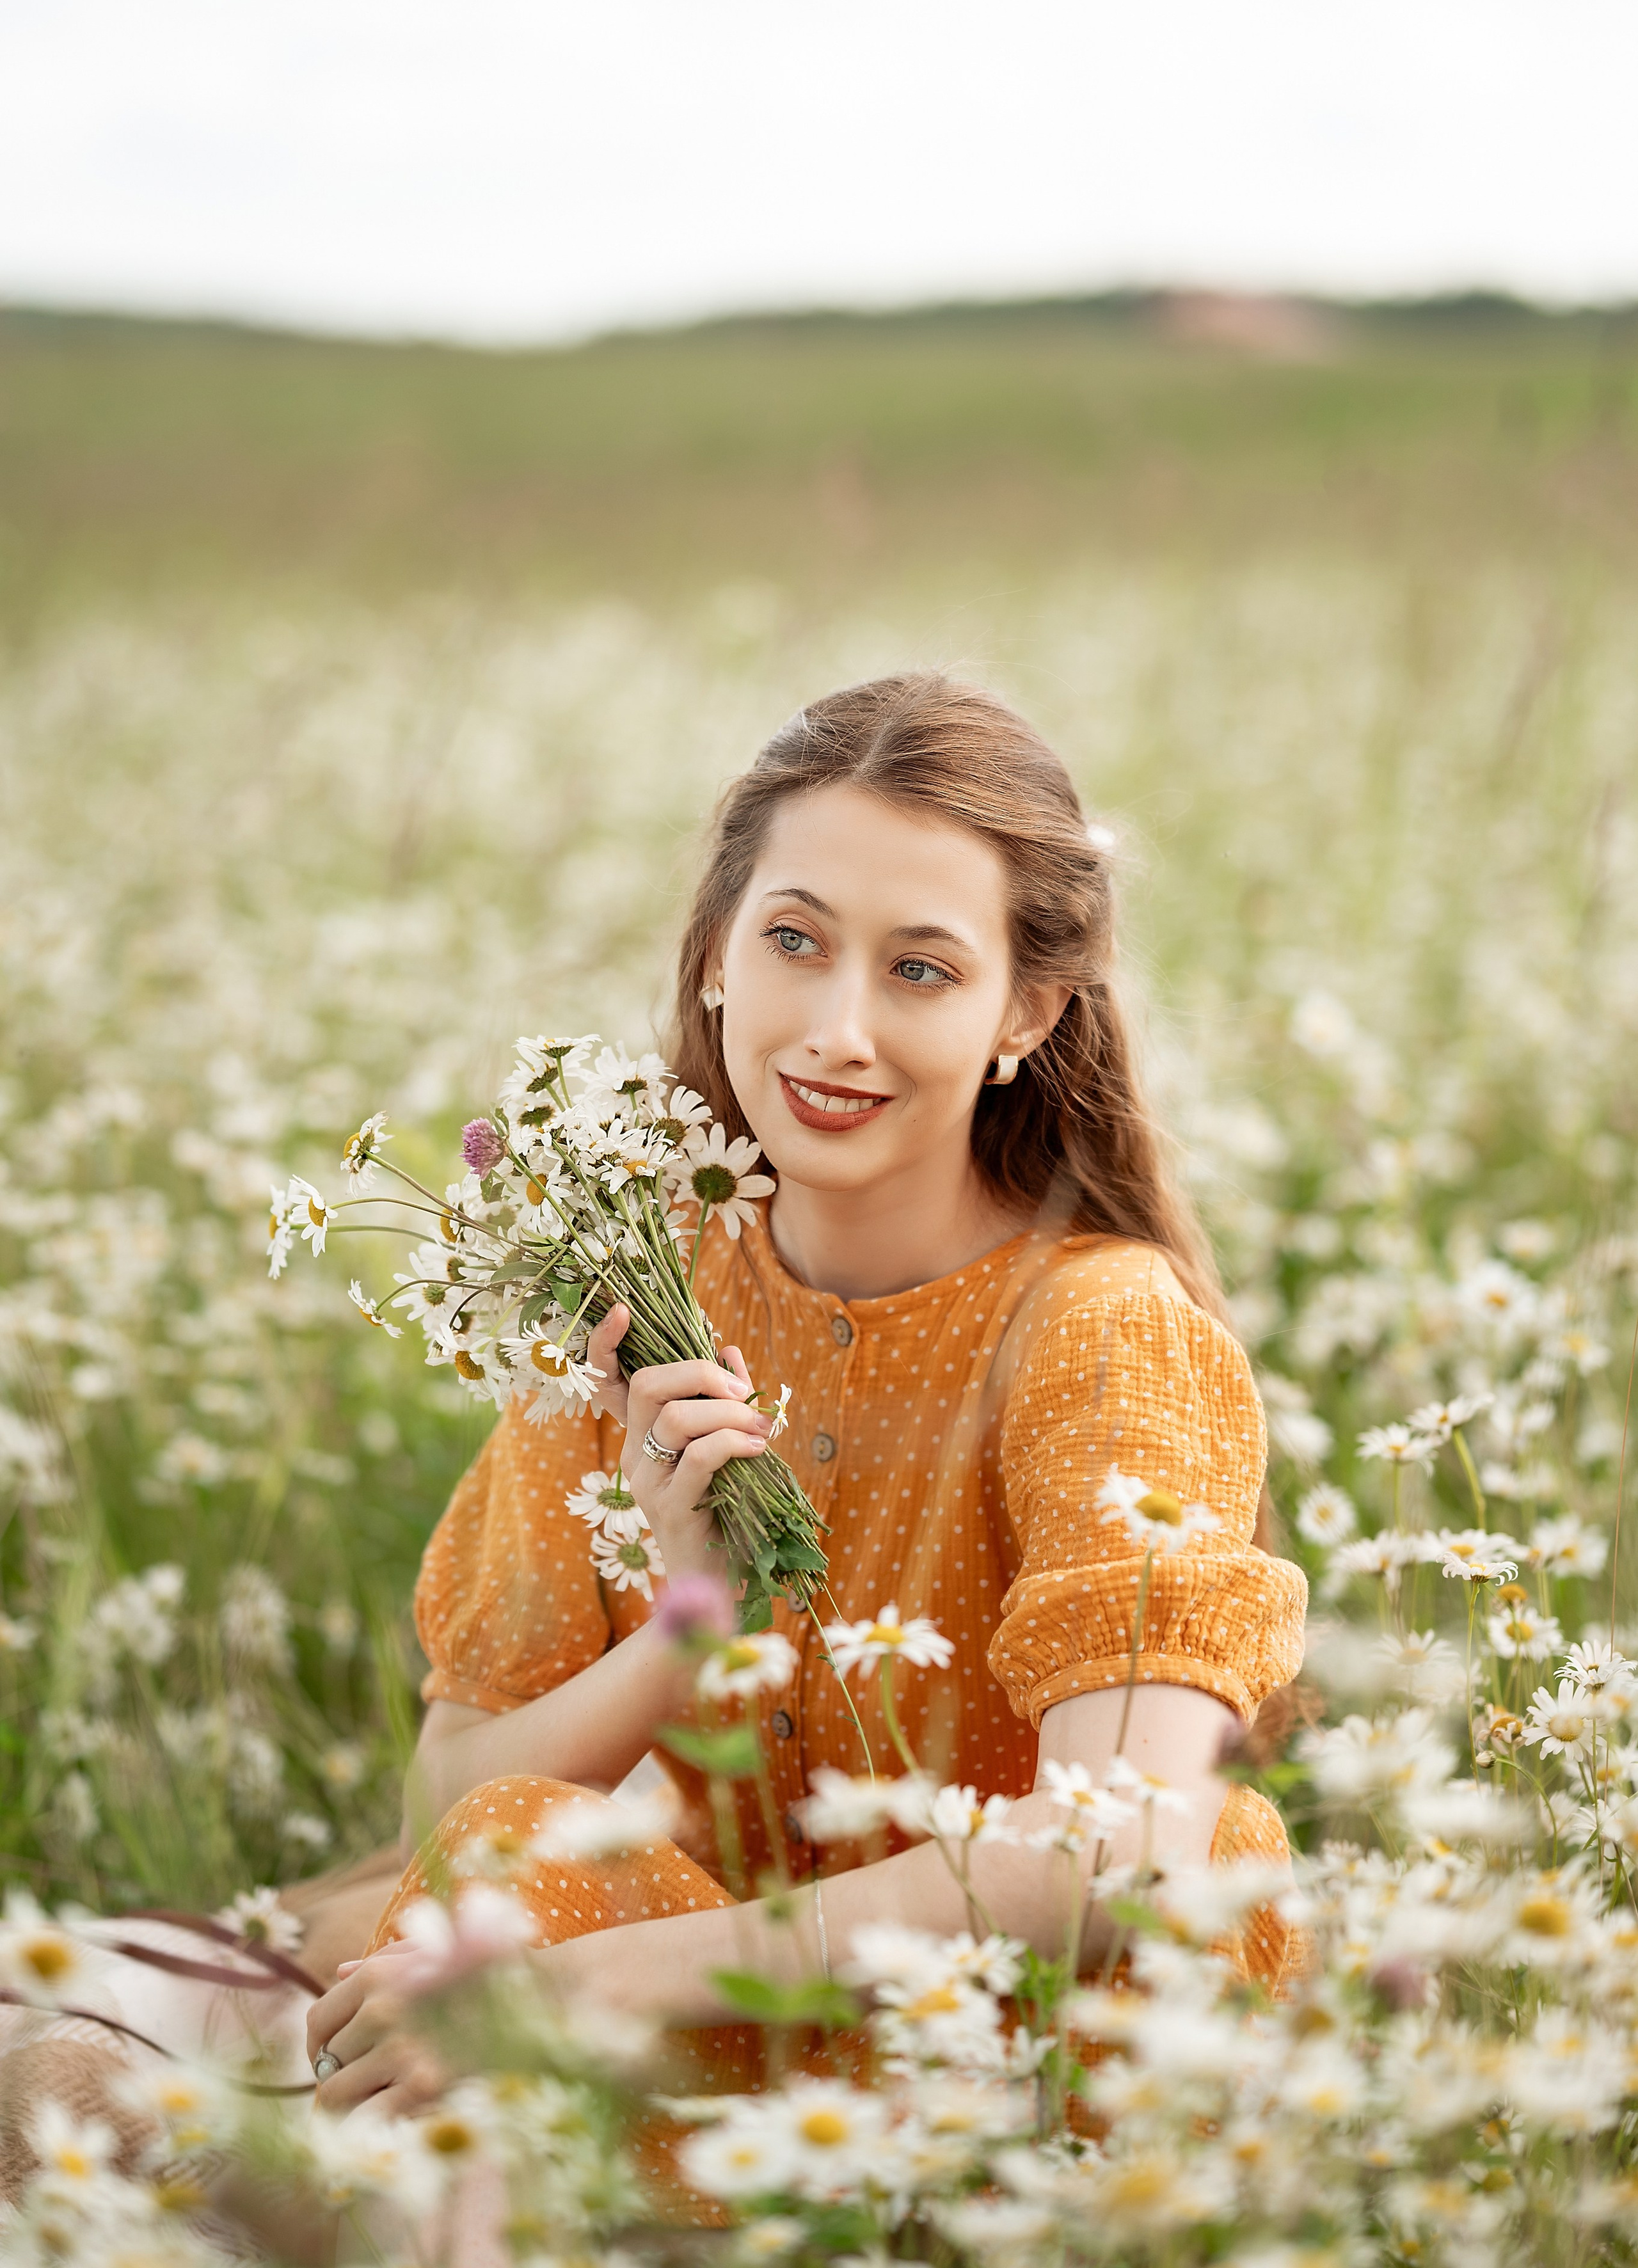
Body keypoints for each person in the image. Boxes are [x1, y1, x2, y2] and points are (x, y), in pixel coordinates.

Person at [305, 671, 1308, 2116]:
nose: (839, 1027)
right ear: (717, 952)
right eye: (794, 940)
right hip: (738, 2009)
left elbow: (1120, 1851)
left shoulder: (1097, 1330)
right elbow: (446, 1800)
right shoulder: (633, 1285)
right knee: (512, 1845)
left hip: (1049, 2034)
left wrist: (592, 1980)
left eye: (920, 970)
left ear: (1024, 1012)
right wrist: (691, 1626)